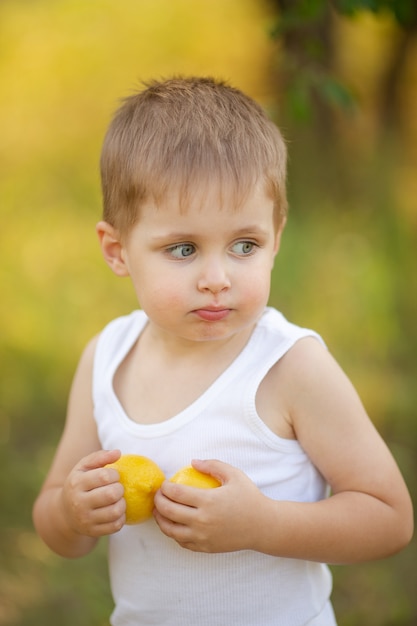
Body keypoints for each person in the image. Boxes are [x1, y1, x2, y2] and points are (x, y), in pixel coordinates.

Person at [33, 76, 413, 626]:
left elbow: (390, 519)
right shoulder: (106, 359)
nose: (218, 278)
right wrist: (72, 512)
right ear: (117, 250)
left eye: (244, 246)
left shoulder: (289, 367)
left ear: (276, 238)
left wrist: (264, 525)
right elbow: (57, 530)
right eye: (183, 249)